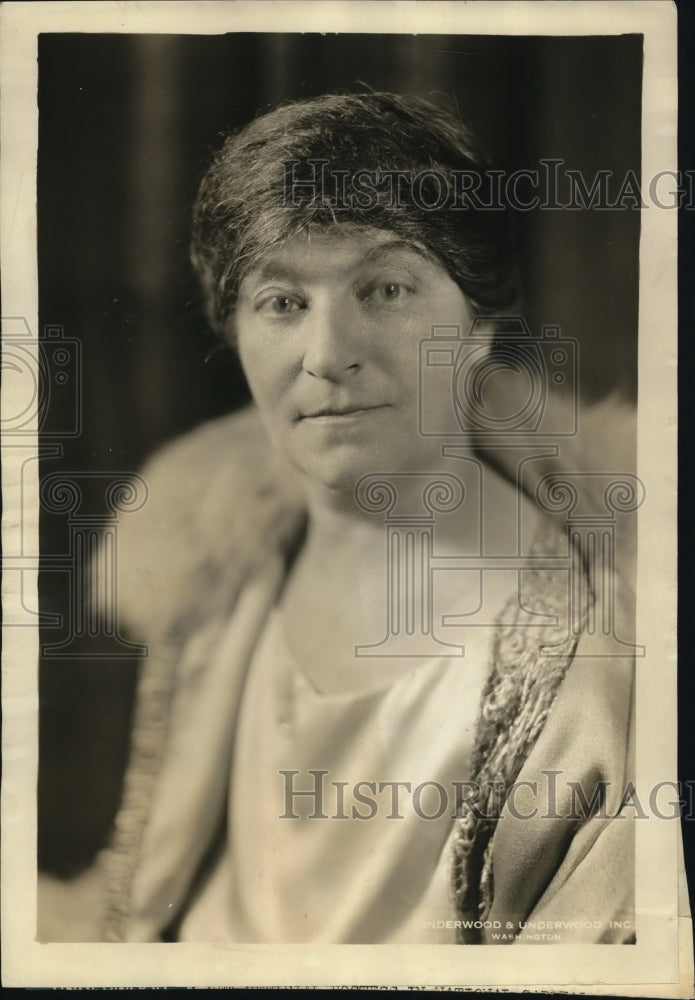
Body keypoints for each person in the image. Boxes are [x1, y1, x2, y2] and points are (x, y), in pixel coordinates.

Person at [42, 92, 638, 944]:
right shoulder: (226, 567)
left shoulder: (591, 671)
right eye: (282, 302)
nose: (326, 356)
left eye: (385, 288)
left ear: (479, 323)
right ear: (234, 330)